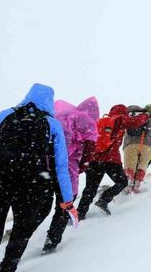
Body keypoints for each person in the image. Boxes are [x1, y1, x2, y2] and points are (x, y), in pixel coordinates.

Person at [0, 83, 76, 272]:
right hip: (31, 185)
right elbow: (60, 167)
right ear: (49, 102)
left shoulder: (6, 114)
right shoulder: (52, 124)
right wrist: (67, 200)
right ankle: (7, 267)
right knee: (20, 234)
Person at [42, 97, 99, 254]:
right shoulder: (86, 121)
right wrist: (83, 165)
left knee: (43, 204)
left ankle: (20, 240)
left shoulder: (58, 116)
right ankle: (51, 241)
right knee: (65, 204)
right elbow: (88, 152)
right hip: (66, 171)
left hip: (43, 168)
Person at [77, 104, 147, 219]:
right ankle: (103, 200)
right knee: (122, 182)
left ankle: (80, 213)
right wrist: (146, 115)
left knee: (90, 188)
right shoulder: (119, 119)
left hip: (94, 160)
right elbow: (135, 122)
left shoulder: (101, 121)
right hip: (110, 160)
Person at [122, 105, 151, 193]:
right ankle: (136, 186)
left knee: (129, 167)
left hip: (130, 144)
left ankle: (127, 187)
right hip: (147, 145)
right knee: (142, 167)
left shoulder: (129, 115)